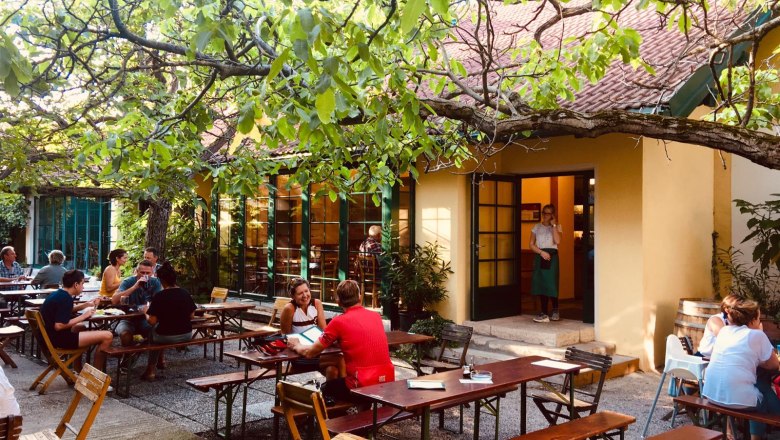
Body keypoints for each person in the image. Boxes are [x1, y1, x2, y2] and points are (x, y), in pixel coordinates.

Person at [288, 280, 393, 403]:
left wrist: (296, 345)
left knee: (326, 390)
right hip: (387, 380)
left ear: (338, 301)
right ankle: (357, 411)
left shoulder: (338, 322)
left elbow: (310, 353)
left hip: (360, 384)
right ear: (360, 297)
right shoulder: (376, 316)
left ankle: (336, 420)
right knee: (337, 375)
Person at [702, 298, 780, 440]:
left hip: (711, 395)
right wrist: (758, 332)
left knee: (759, 383)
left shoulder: (724, 331)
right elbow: (774, 365)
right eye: (759, 317)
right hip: (738, 400)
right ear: (752, 320)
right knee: (762, 389)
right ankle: (760, 435)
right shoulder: (756, 335)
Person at [39, 270, 113, 371]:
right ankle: (95, 376)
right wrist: (83, 316)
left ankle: (77, 370)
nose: (83, 286)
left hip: (46, 337)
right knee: (107, 335)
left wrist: (86, 304)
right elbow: (59, 325)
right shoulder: (66, 299)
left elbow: (65, 310)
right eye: (82, 283)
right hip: (57, 340)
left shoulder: (58, 294)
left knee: (80, 327)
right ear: (76, 284)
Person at [141, 262, 196, 381]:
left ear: (161, 280)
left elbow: (152, 321)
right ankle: (161, 361)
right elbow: (192, 316)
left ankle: (150, 370)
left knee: (152, 334)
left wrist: (145, 312)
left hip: (165, 336)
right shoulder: (185, 293)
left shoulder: (160, 296)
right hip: (186, 334)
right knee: (157, 332)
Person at [280, 278, 343, 380]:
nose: (305, 296)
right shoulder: (289, 309)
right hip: (301, 355)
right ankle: (345, 393)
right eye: (300, 293)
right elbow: (285, 337)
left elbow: (324, 330)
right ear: (293, 296)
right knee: (340, 359)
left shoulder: (317, 304)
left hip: (318, 351)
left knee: (332, 370)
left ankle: (330, 395)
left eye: (306, 291)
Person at [112, 260, 162, 346]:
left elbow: (160, 301)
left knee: (156, 332)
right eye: (142, 272)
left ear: (152, 273)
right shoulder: (128, 281)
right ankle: (127, 358)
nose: (145, 275)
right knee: (125, 335)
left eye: (148, 273)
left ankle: (153, 358)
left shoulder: (155, 282)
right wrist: (135, 286)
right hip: (127, 319)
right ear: (137, 271)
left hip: (145, 318)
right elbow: (114, 300)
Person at [530, 204, 562, 323]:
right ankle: (543, 313)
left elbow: (558, 241)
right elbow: (531, 244)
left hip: (552, 257)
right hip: (540, 255)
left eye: (548, 213)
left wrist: (553, 225)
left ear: (552, 215)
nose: (545, 215)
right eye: (544, 212)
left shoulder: (557, 226)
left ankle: (555, 310)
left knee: (551, 282)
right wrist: (541, 252)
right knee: (541, 283)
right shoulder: (536, 227)